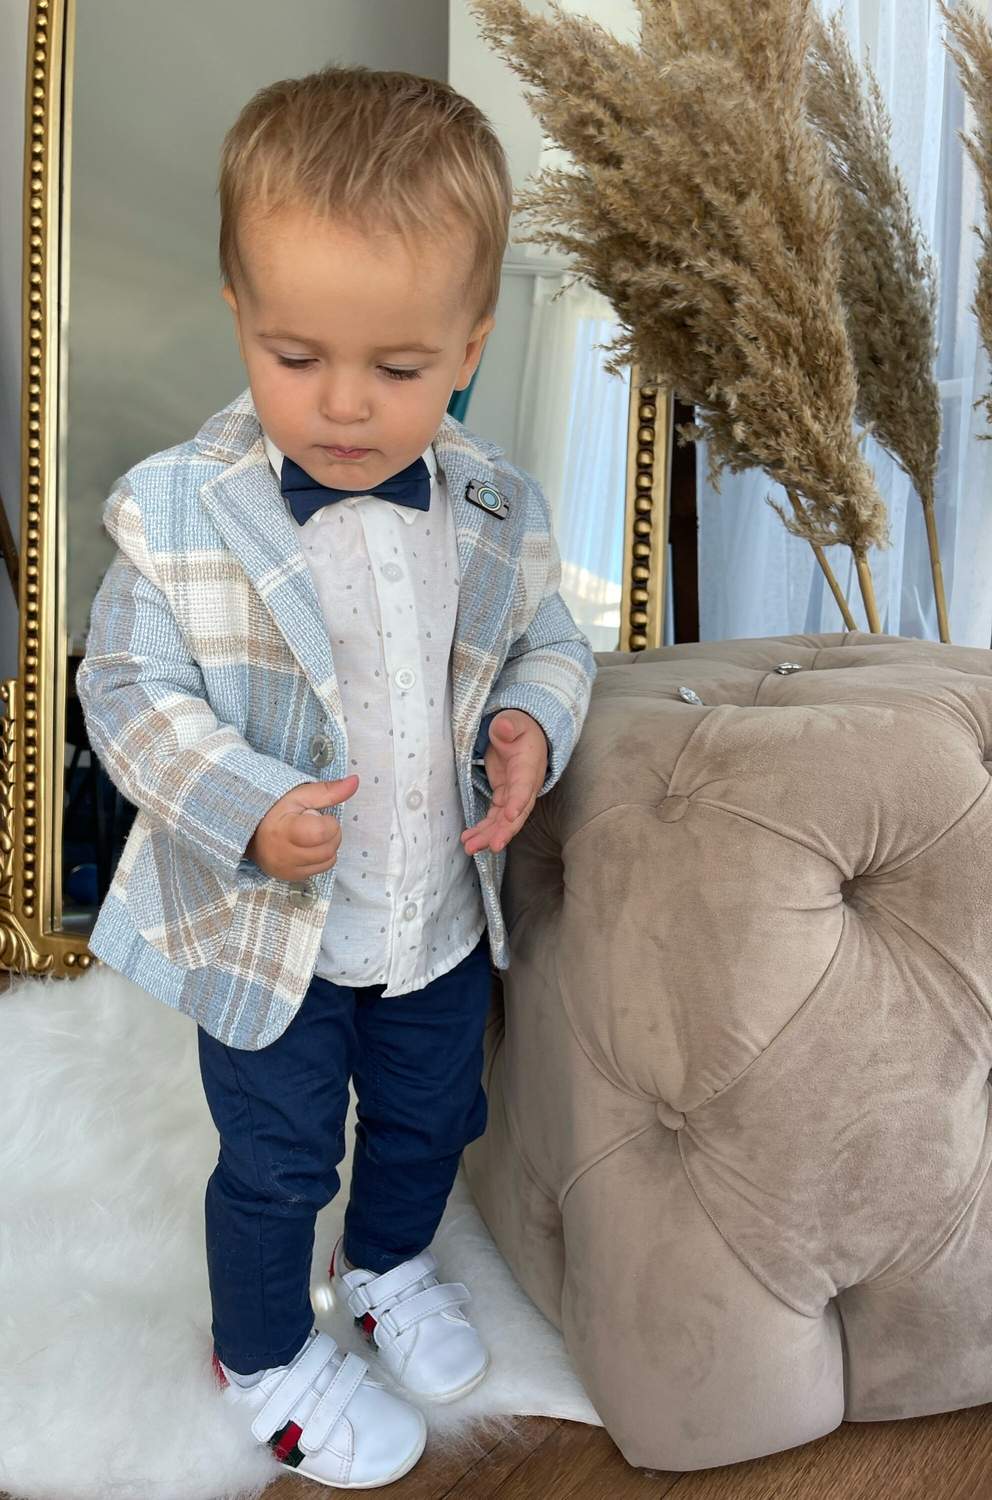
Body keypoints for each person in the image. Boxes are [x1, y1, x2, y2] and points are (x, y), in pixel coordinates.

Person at [76, 63, 595, 1489]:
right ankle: (261, 1359)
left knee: (434, 1117)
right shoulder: (183, 511)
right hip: (273, 935)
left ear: (472, 342)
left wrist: (532, 723)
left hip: (429, 914)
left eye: (400, 368)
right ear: (242, 313)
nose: (346, 407)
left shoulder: (492, 503)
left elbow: (551, 633)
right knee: (279, 1158)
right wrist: (243, 802)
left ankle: (386, 1268)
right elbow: (118, 689)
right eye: (296, 357)